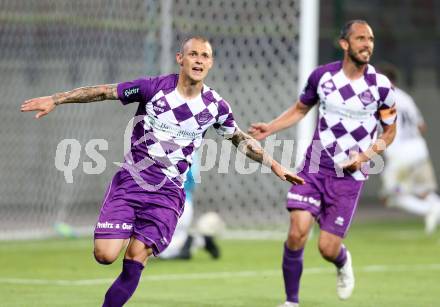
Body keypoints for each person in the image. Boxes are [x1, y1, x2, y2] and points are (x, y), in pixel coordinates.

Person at [21, 36, 304, 307]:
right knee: (105, 255)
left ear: (210, 63)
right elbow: (104, 91)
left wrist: (274, 163)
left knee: (136, 257)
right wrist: (56, 99)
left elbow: (239, 138)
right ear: (180, 59)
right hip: (132, 182)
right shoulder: (153, 88)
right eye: (193, 54)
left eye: (205, 56)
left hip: (168, 194)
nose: (198, 60)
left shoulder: (216, 106)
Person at [249, 20, 397, 307]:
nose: (368, 44)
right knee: (297, 230)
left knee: (327, 248)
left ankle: (342, 261)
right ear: (345, 44)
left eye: (371, 39)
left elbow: (390, 132)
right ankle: (291, 301)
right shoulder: (322, 77)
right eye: (361, 38)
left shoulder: (381, 87)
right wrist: (270, 128)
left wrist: (365, 156)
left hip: (349, 178)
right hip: (315, 167)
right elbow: (300, 108)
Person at [378, 63, 440, 234]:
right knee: (424, 192)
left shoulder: (380, 99)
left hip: (400, 153)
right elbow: (422, 127)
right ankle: (433, 209)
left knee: (390, 197)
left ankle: (429, 211)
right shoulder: (406, 97)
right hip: (419, 150)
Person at [159, 157, 222, 260]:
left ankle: (191, 241)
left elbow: (191, 179)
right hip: (169, 201)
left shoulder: (185, 150)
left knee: (161, 251)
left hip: (178, 202)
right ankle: (199, 240)